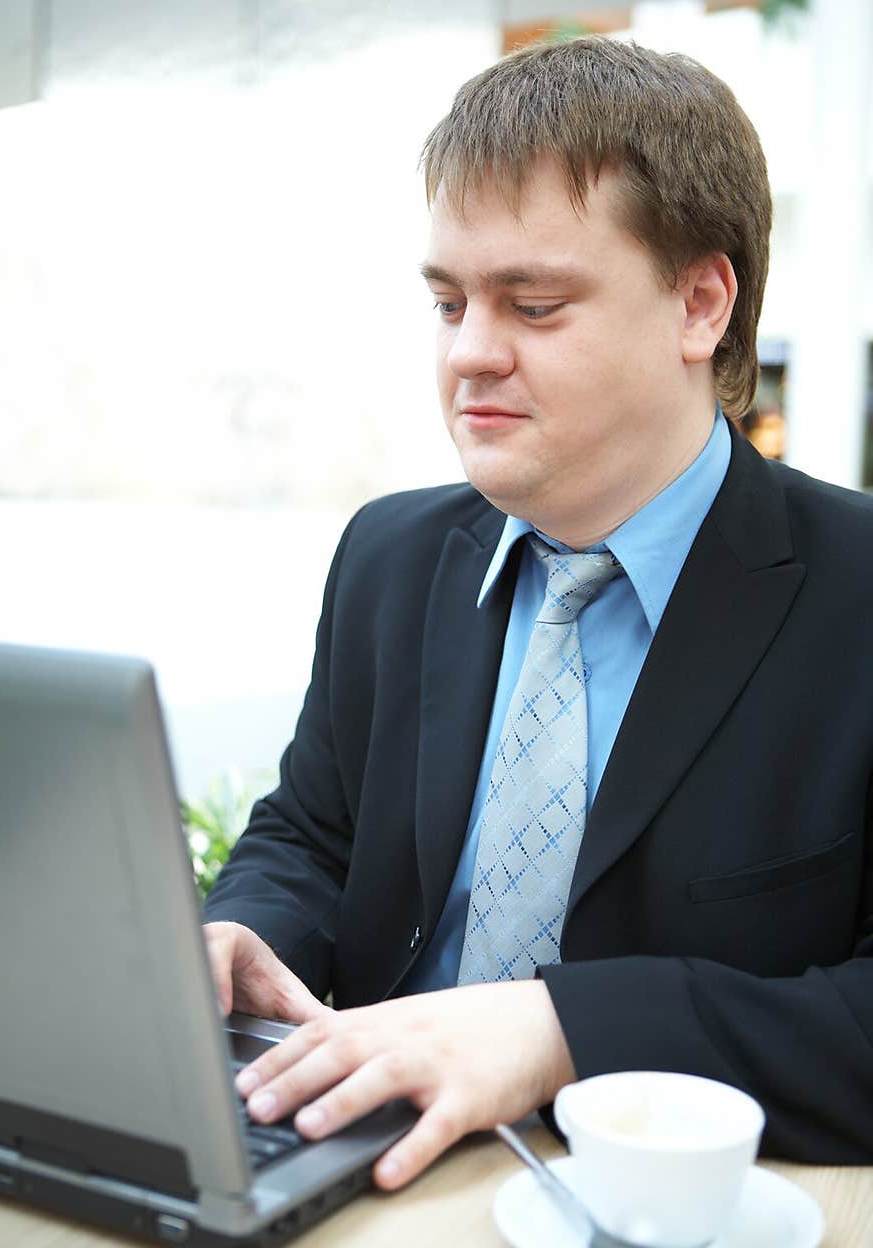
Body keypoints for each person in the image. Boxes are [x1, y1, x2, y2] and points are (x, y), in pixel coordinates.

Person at [202, 35, 873, 1190]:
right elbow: (310, 835)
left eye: (534, 304)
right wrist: (245, 934)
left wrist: (566, 1031)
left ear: (699, 303)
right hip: (357, 1178)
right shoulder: (388, 555)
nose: (468, 352)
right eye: (448, 300)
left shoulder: (856, 591)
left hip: (674, 1234)